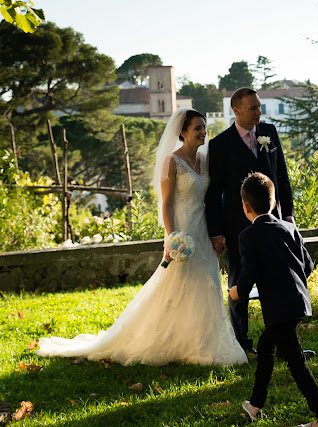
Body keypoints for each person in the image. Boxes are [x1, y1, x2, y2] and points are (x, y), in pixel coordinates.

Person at [36, 108, 248, 367]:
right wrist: (172, 238)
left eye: (204, 127)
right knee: (178, 285)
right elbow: (167, 204)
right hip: (182, 230)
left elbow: (212, 197)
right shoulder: (172, 161)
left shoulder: (205, 160)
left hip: (202, 229)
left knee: (207, 282)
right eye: (197, 128)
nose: (203, 132)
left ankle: (204, 342)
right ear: (182, 132)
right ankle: (166, 338)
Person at [228, 172, 318, 427]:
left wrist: (238, 293)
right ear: (274, 203)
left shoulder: (248, 236)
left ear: (245, 206)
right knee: (265, 346)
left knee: (297, 364)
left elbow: (249, 272)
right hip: (297, 301)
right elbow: (307, 265)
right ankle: (255, 404)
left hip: (279, 308)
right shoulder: (289, 228)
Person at [206, 88, 294, 356]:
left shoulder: (270, 132)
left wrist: (288, 215)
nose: (259, 112)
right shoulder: (220, 145)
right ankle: (242, 344)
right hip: (237, 227)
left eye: (259, 107)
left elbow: (282, 176)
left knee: (276, 283)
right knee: (238, 286)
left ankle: (280, 340)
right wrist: (217, 232)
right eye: (253, 108)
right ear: (236, 110)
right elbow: (214, 193)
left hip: (274, 224)